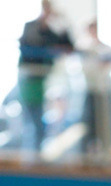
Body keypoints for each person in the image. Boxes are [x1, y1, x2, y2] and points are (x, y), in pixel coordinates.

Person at [18, 0, 74, 155]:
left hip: (45, 78)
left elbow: (69, 45)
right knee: (33, 119)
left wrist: (62, 21)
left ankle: (38, 155)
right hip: (30, 78)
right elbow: (29, 43)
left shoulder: (51, 31)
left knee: (42, 122)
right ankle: (32, 156)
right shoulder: (31, 26)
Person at [77, 19, 111, 162]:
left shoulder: (106, 49)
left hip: (104, 91)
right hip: (91, 90)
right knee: (89, 123)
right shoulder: (84, 48)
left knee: (106, 124)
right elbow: (87, 69)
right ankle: (86, 155)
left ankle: (106, 153)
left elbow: (107, 65)